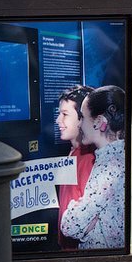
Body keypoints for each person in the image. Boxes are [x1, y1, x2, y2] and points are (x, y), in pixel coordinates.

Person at [60, 85, 127, 250]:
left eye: (82, 117)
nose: (80, 124)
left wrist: (77, 210)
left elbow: (69, 225)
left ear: (99, 122)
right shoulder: (115, 157)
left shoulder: (109, 167)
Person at [54, 85, 96, 250]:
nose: (58, 120)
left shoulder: (89, 159)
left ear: (82, 119)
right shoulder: (73, 152)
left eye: (65, 114)